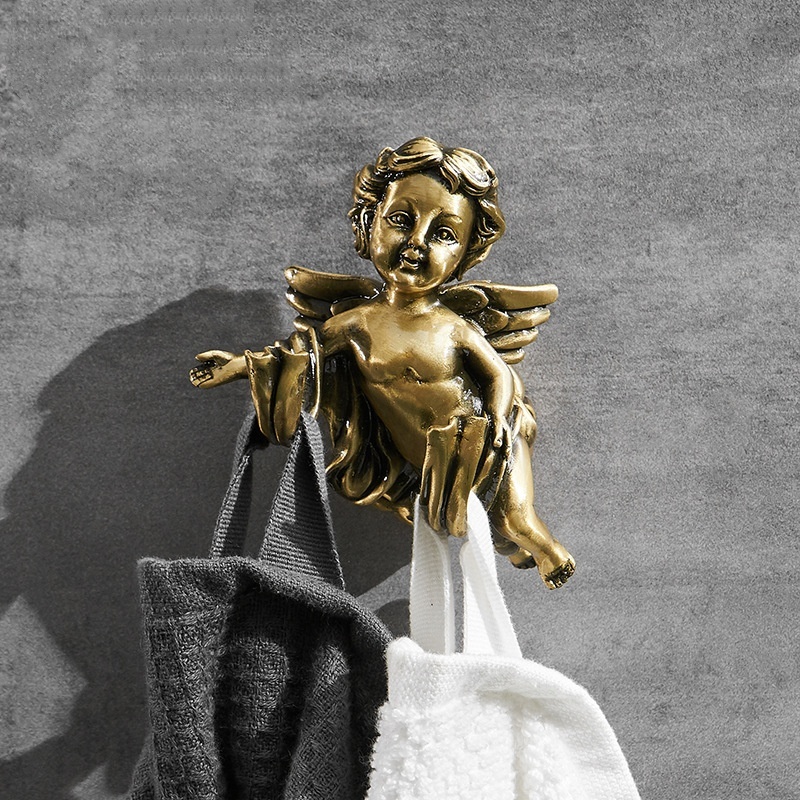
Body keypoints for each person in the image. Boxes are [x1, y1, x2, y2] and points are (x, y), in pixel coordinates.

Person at [191, 137, 574, 589]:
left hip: (480, 441)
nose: (416, 242)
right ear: (367, 224)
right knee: (483, 524)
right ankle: (512, 545)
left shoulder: (452, 327)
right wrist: (237, 366)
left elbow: (497, 374)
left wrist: (496, 418)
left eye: (444, 234)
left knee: (515, 520)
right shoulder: (358, 324)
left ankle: (545, 552)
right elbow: (300, 356)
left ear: (464, 256)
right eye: (400, 220)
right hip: (425, 459)